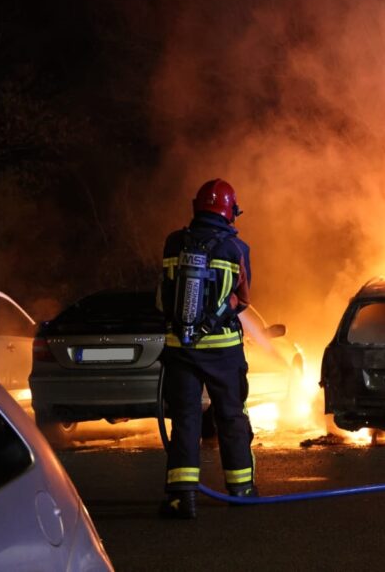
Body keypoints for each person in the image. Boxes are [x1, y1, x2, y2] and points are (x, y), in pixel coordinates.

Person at [158, 178, 257, 519]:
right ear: (230, 211)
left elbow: (161, 300)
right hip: (223, 351)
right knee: (230, 416)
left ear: (196, 207)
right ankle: (241, 491)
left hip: (180, 349)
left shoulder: (174, 243)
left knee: (185, 419)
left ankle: (182, 498)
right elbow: (244, 299)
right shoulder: (236, 248)